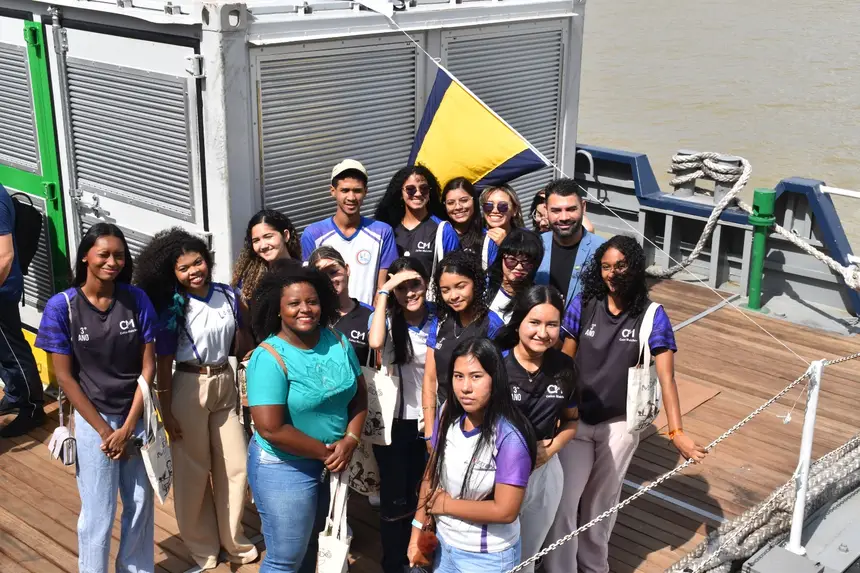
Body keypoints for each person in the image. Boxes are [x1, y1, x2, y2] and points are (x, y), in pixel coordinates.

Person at [545, 235, 707, 573]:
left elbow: (667, 379)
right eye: (605, 266)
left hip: (619, 424)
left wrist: (677, 431)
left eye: (620, 265)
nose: (612, 273)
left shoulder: (652, 316)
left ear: (634, 266)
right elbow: (563, 365)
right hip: (577, 421)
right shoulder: (584, 303)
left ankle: (593, 568)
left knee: (599, 505)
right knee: (564, 502)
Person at [34, 223, 157, 572]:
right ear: (86, 256)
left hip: (137, 416)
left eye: (119, 255)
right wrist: (107, 432)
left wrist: (130, 425)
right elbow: (65, 377)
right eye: (104, 254)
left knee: (139, 503)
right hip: (94, 422)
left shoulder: (137, 299)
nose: (112, 262)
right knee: (98, 512)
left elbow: (148, 367)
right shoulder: (63, 307)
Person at [134, 228, 258, 570]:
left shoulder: (229, 296)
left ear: (209, 260)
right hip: (188, 385)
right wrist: (164, 409)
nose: (194, 271)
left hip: (225, 381)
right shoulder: (174, 307)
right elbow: (161, 361)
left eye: (198, 262)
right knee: (193, 471)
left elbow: (243, 341)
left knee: (236, 465)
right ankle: (203, 548)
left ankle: (235, 542)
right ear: (172, 273)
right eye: (184, 267)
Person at [245, 263, 368, 573]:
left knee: (313, 545)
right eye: (294, 303)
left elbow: (360, 396)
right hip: (284, 467)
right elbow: (271, 428)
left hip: (329, 464)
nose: (305, 310)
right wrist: (329, 452)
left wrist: (351, 440)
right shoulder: (268, 357)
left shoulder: (337, 341)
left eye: (312, 301)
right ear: (278, 309)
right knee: (285, 559)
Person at [407, 338, 536, 572]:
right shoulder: (448, 413)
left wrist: (445, 505)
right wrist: (416, 531)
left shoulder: (509, 436)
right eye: (458, 376)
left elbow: (505, 510)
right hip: (443, 547)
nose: (465, 387)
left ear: (495, 378)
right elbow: (431, 473)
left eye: (476, 376)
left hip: (486, 559)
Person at [495, 285, 579, 573]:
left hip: (544, 470)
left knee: (527, 556)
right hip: (496, 471)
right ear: (519, 322)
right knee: (495, 554)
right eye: (535, 322)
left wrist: (551, 449)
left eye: (552, 324)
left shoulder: (564, 367)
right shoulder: (496, 365)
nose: (543, 333)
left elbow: (571, 420)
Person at [367, 256, 433, 573]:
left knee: (425, 494)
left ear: (427, 283)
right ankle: (393, 563)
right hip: (395, 422)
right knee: (395, 498)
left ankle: (420, 559)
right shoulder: (389, 320)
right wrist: (384, 292)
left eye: (415, 284)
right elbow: (376, 342)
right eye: (401, 288)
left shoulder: (439, 320)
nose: (409, 293)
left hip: (432, 422)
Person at [422, 251, 504, 445]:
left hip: (480, 426)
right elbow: (429, 378)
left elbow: (500, 381)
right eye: (445, 290)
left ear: (475, 283)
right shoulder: (440, 322)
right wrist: (429, 430)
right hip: (442, 422)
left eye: (460, 286)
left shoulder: (492, 325)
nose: (453, 296)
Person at [301, 159, 398, 306]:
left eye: (357, 190)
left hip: (366, 320)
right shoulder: (313, 234)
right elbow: (308, 285)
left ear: (366, 191)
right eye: (345, 190)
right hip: (328, 323)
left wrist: (372, 319)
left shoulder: (383, 232)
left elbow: (382, 288)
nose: (351, 197)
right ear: (333, 191)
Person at [0, 184, 45, 437]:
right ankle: (16, 394)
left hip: (2, 289)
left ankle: (32, 408)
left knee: (12, 351)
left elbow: (5, 256)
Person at [534, 178, 605, 313]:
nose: (564, 217)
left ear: (583, 207)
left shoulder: (601, 250)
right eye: (556, 210)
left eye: (571, 209)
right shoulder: (535, 246)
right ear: (546, 210)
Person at [373, 165, 460, 275]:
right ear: (401, 193)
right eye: (410, 189)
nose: (418, 193)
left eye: (424, 188)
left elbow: (454, 273)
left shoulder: (443, 230)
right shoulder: (388, 229)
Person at [308, 246, 374, 367]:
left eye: (333, 272)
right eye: (322, 276)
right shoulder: (309, 314)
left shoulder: (369, 316)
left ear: (347, 269)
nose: (329, 280)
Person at [232, 209, 302, 304]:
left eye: (268, 236)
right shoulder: (248, 283)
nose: (263, 245)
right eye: (256, 240)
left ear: (285, 235)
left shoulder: (305, 273)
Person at [485, 229, 544, 324]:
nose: (519, 267)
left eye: (526, 262)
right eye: (512, 260)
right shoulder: (484, 286)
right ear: (501, 258)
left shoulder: (534, 300)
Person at [441, 178, 497, 269]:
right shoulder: (439, 235)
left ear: (474, 200)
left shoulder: (488, 238)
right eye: (451, 203)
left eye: (464, 200)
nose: (458, 207)